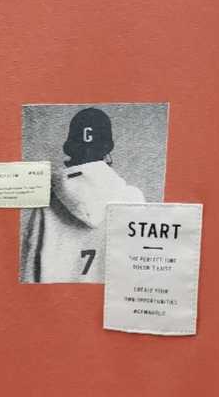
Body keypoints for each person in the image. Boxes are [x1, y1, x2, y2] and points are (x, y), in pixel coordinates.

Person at [20, 107, 145, 283]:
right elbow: (139, 271)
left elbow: (30, 272)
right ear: (107, 149)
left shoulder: (47, 200)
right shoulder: (132, 199)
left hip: (57, 299)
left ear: (71, 147)